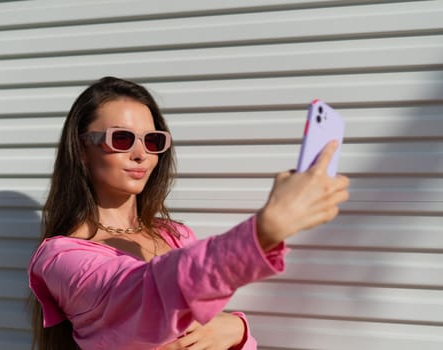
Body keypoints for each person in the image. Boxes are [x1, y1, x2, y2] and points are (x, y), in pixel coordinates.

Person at [28, 76, 350, 350]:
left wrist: (237, 331)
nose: (141, 154)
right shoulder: (60, 259)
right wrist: (264, 230)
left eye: (152, 141)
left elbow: (200, 308)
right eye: (122, 139)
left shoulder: (175, 234)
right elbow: (147, 293)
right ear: (81, 150)